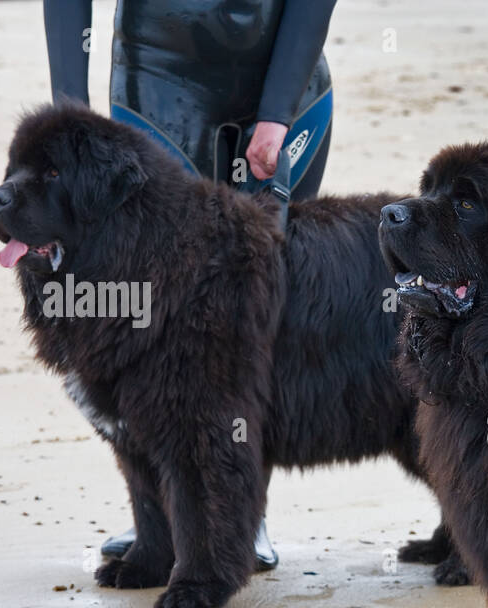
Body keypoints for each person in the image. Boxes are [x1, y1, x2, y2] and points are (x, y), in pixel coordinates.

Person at [42, 0, 338, 570]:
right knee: (155, 316)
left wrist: (276, 112)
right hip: (157, 81)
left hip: (287, 86)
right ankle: (163, 517)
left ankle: (241, 515)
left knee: (251, 313)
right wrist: (68, 107)